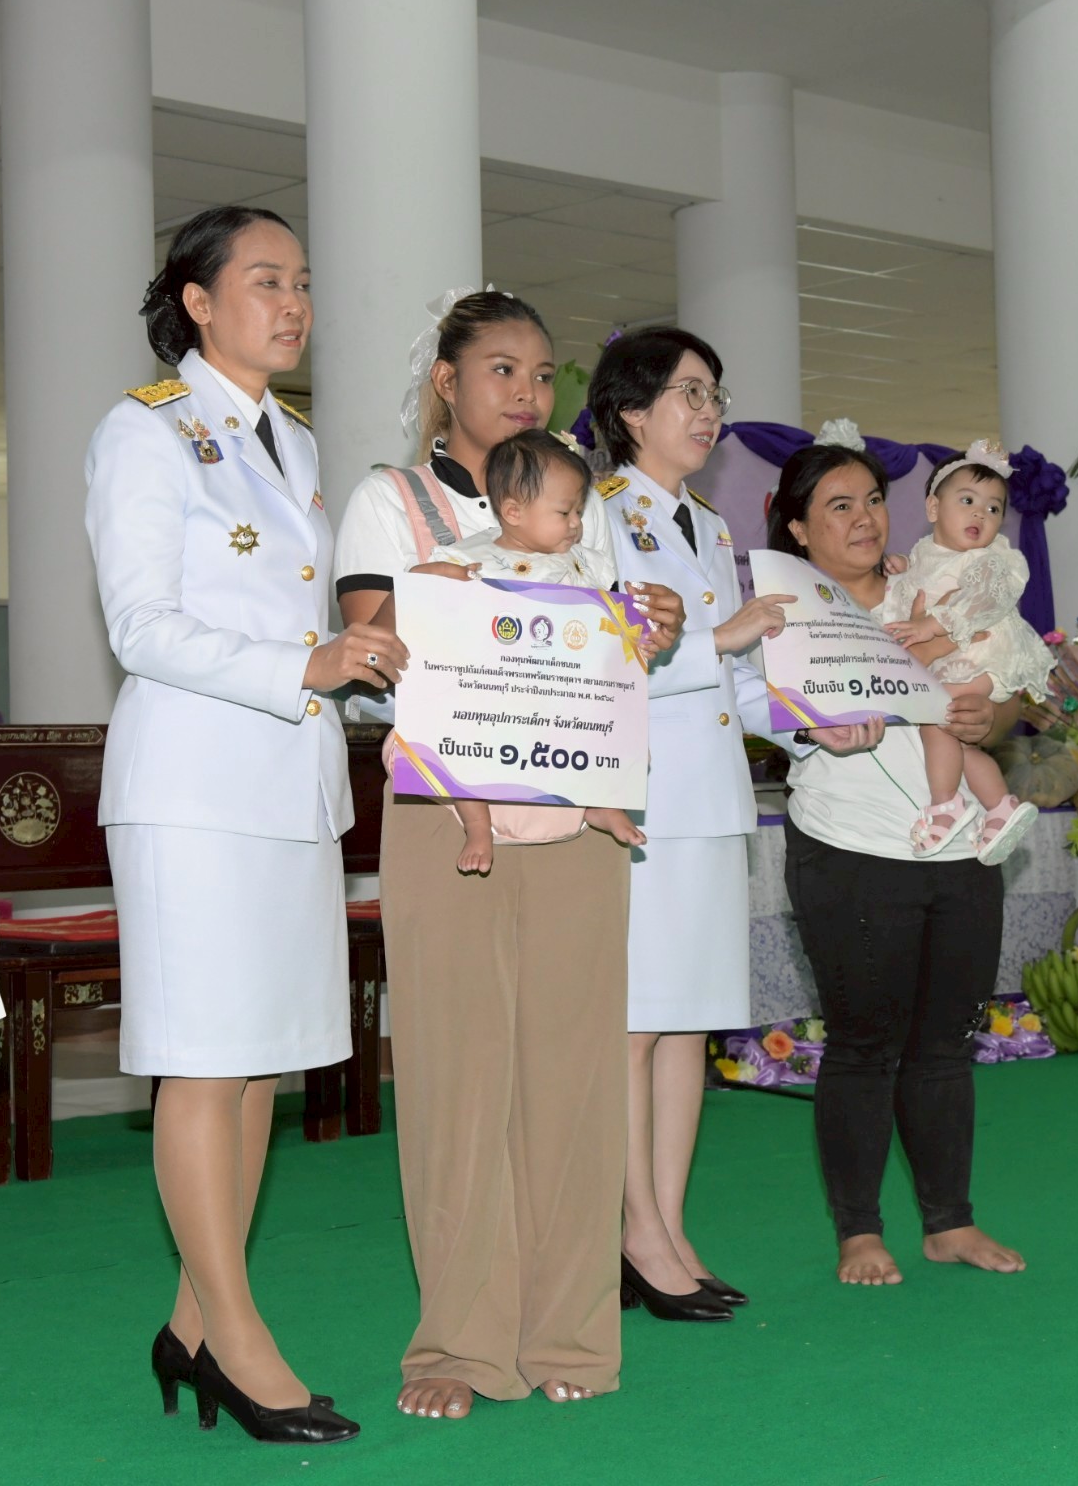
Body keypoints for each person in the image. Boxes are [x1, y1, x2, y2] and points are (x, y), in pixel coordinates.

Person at [333, 287, 682, 1420]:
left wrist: (652, 629)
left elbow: (612, 641)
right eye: (502, 370)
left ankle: (571, 1329)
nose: (528, 391)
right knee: (455, 1077)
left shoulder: (588, 506)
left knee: (576, 1074)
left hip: (580, 813)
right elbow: (383, 651)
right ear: (448, 380)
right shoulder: (389, 504)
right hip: (447, 812)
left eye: (542, 375)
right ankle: (460, 1345)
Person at [85, 204, 383, 1445]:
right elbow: (140, 626)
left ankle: (192, 1324)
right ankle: (242, 1339)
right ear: (197, 302)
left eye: (303, 281)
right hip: (196, 791)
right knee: (206, 1064)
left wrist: (354, 664)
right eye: (266, 280)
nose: (294, 301)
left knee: (261, 1063)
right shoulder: (145, 430)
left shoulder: (295, 444)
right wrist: (305, 664)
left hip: (288, 786)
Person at [762, 440, 1028, 1288]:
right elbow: (756, 712)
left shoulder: (936, 585)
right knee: (866, 1044)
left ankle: (950, 1221)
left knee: (948, 1043)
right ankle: (859, 1231)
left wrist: (997, 715)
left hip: (960, 849)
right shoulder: (784, 615)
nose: (864, 516)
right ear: (798, 528)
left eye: (872, 498)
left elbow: (1008, 682)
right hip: (849, 848)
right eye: (837, 505)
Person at [584, 325, 786, 1323]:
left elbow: (738, 683)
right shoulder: (600, 514)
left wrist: (823, 719)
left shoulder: (706, 525)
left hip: (711, 801)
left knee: (686, 1023)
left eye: (714, 395)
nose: (709, 414)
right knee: (635, 1023)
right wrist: (728, 638)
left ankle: (664, 1222)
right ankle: (634, 1232)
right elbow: (614, 657)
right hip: (645, 798)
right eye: (688, 394)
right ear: (631, 413)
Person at [406, 429, 646, 875]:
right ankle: (477, 824)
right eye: (564, 512)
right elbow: (419, 598)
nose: (576, 523)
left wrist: (636, 639)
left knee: (609, 728)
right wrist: (429, 575)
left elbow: (614, 633)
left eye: (579, 510)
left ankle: (599, 804)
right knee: (459, 743)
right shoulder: (471, 560)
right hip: (493, 698)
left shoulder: (585, 564)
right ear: (513, 511)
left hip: (565, 695)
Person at [880, 440, 1051, 862]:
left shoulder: (992, 559)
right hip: (959, 660)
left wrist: (931, 626)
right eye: (968, 501)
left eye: (994, 509)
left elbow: (981, 601)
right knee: (959, 739)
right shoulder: (926, 553)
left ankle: (945, 806)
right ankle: (999, 807)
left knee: (936, 717)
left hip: (987, 654)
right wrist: (904, 571)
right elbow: (921, 584)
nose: (981, 513)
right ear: (934, 509)